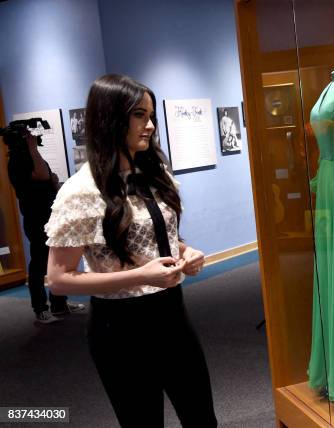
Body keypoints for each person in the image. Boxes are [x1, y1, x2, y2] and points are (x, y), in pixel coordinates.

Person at [45, 74, 217, 427]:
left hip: (172, 314)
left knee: (202, 418)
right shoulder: (81, 192)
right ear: (110, 118)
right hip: (119, 328)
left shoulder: (153, 173)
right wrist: (142, 275)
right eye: (140, 115)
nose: (150, 126)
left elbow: (161, 235)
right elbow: (58, 279)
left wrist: (186, 252)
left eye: (151, 115)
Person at [5, 123, 85, 324]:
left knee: (57, 261)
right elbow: (41, 175)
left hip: (50, 216)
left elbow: (49, 180)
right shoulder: (16, 160)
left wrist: (53, 181)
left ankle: (59, 304)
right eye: (28, 135)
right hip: (35, 219)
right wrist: (33, 149)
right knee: (39, 264)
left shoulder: (31, 156)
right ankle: (40, 308)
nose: (33, 136)